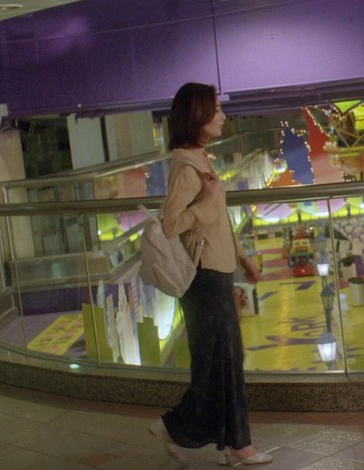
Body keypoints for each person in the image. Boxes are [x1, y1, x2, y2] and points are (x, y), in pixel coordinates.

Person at [148, 82, 271, 466]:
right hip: (203, 278)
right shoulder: (186, 167)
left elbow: (218, 221)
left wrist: (243, 258)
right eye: (216, 109)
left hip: (218, 270)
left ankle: (214, 439)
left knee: (222, 361)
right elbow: (171, 224)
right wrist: (207, 204)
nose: (222, 115)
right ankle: (231, 442)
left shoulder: (201, 158)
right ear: (197, 115)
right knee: (222, 362)